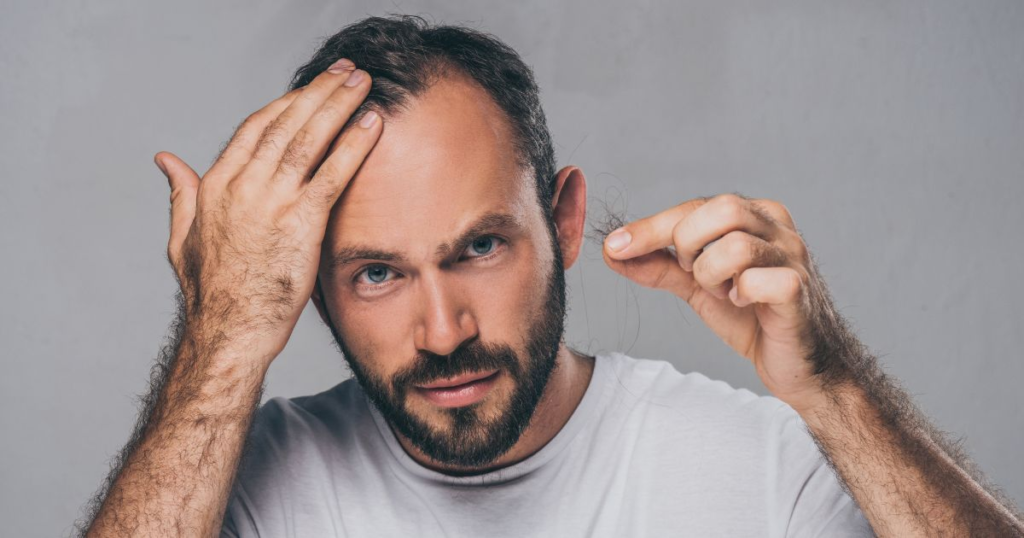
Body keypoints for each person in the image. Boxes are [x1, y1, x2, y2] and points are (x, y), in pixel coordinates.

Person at [77, 15, 1023, 537]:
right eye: (375, 274)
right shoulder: (237, 486)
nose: (443, 331)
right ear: (309, 287)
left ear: (565, 220)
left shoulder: (764, 470)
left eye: (479, 247)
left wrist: (836, 390)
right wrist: (223, 337)